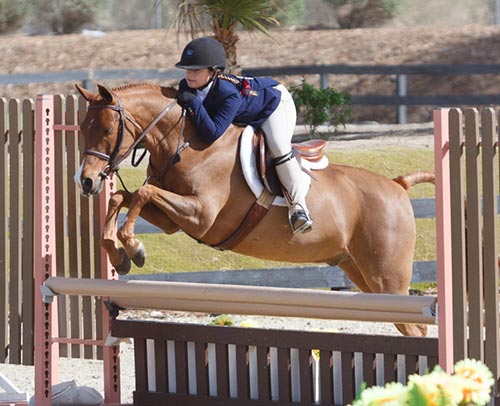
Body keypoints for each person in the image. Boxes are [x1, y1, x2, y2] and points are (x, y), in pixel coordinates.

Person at [175, 36, 313, 235]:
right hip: (250, 106)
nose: (189, 75)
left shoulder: (227, 93)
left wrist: (194, 103)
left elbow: (212, 133)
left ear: (213, 71)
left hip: (274, 104)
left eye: (195, 70)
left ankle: (299, 208)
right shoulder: (187, 85)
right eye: (187, 69)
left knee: (278, 147)